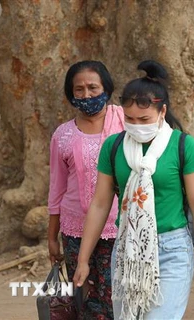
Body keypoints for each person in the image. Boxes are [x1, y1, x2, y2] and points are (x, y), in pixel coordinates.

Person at [73, 60, 194, 320]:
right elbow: (100, 204)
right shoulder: (113, 147)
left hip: (173, 251)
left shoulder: (185, 147)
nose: (137, 125)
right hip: (126, 249)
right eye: (129, 119)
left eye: (144, 119)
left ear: (162, 112)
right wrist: (83, 258)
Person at [47, 60, 124, 319]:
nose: (86, 94)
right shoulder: (63, 135)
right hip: (74, 231)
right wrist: (51, 236)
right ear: (70, 93)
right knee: (84, 298)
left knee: (115, 298)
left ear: (106, 87)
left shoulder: (125, 122)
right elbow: (56, 190)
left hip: (119, 229)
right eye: (78, 89)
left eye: (93, 87)